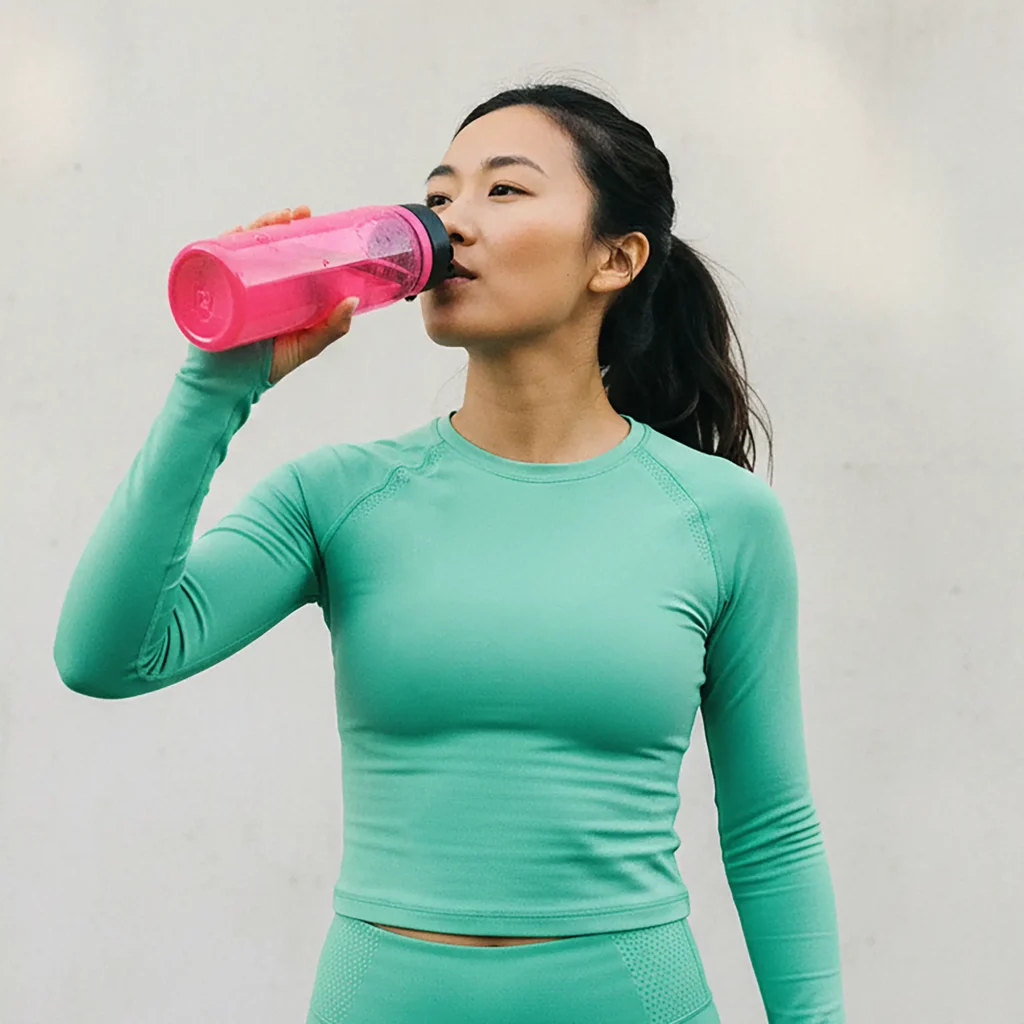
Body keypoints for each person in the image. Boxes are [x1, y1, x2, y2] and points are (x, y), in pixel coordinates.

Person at [53, 80, 846, 1023]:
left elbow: (770, 833)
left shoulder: (721, 516)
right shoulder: (338, 497)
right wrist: (215, 384)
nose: (451, 223)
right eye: (439, 196)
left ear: (616, 257)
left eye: (503, 191)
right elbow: (105, 658)